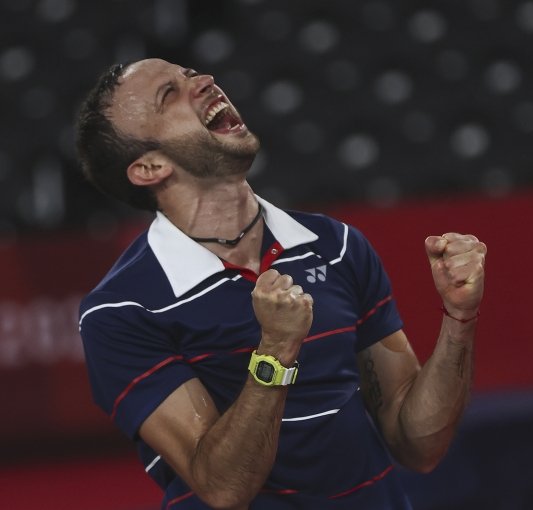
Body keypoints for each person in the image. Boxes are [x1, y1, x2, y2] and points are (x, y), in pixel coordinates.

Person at [75, 58, 486, 510]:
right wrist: (274, 352)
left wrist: (459, 317)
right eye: (169, 94)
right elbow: (223, 487)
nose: (205, 81)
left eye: (192, 73)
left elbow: (418, 446)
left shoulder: (336, 245)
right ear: (149, 167)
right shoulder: (122, 309)